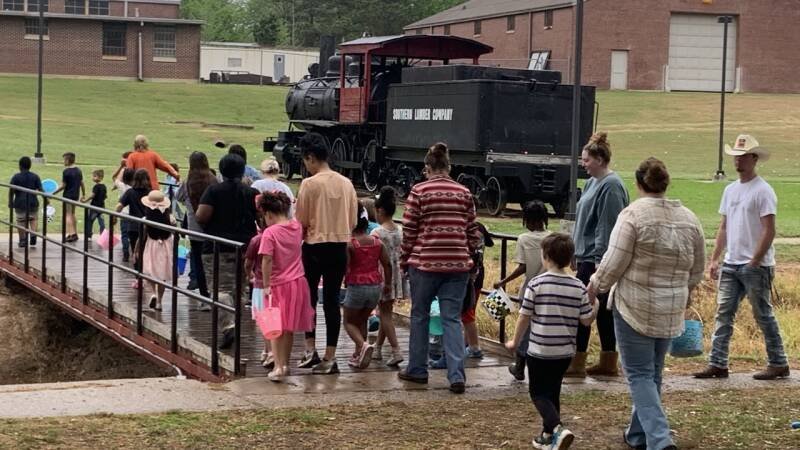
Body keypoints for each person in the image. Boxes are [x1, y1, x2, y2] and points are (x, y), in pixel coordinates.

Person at [588, 158, 704, 450]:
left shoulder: (632, 216)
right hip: (671, 309)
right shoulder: (689, 218)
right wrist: (681, 289)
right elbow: (697, 268)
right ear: (665, 184)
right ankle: (638, 434)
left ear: (639, 184)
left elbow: (613, 263)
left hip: (634, 307)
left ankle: (660, 439)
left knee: (639, 375)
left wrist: (594, 286)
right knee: (652, 373)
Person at [694, 135, 790, 381]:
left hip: (754, 265)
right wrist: (715, 258)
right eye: (736, 155)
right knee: (723, 312)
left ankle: (778, 362)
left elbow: (769, 229)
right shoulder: (730, 190)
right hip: (731, 262)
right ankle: (717, 363)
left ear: (754, 159)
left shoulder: (763, 191)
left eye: (743, 156)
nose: (738, 160)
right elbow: (724, 226)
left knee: (762, 313)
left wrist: (756, 261)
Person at [398, 142, 481, 394]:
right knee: (452, 319)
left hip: (425, 263)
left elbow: (409, 231)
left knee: (420, 315)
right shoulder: (464, 193)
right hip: (457, 265)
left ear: (427, 167)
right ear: (449, 166)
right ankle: (456, 375)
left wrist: (404, 260)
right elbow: (472, 232)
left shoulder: (419, 191)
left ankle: (417, 369)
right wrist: (470, 259)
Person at [505, 233, 598, 450]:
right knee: (553, 391)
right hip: (565, 352)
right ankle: (547, 436)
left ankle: (557, 427)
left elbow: (524, 316)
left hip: (539, 350)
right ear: (569, 258)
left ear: (545, 256)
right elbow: (586, 320)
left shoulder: (536, 284)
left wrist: (515, 341)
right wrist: (596, 305)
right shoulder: (577, 286)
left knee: (537, 393)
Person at [295, 133, 358, 374]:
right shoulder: (346, 183)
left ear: (310, 158)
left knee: (308, 299)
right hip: (339, 246)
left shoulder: (309, 184)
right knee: (332, 302)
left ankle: (311, 349)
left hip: (314, 246)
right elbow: (352, 219)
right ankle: (330, 356)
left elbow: (301, 220)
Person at [569, 132, 629, 378]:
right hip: (584, 254)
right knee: (602, 310)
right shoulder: (592, 183)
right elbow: (582, 219)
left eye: (587, 160)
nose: (583, 164)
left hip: (597, 258)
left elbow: (608, 226)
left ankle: (578, 360)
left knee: (585, 308)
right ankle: (607, 359)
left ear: (601, 159)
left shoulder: (611, 186)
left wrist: (600, 263)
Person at [196, 153, 259, 349]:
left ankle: (228, 324)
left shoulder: (213, 191)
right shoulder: (251, 192)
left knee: (219, 289)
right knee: (240, 289)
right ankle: (235, 323)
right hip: (244, 248)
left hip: (217, 247)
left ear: (222, 170)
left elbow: (202, 216)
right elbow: (260, 218)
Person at [258, 191, 315, 382]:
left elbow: (267, 260)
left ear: (268, 214)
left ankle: (277, 366)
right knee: (289, 327)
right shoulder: (297, 227)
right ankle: (286, 363)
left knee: (274, 328)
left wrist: (266, 285)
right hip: (298, 281)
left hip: (278, 284)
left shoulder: (270, 232)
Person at [494, 200, 551, 380]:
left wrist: (503, 281)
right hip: (549, 289)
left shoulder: (524, 239)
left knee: (525, 327)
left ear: (527, 220)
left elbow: (522, 268)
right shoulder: (553, 238)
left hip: (529, 290)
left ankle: (520, 366)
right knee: (543, 327)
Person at [343, 203, 392, 369]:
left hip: (356, 286)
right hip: (375, 287)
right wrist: (388, 284)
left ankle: (363, 345)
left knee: (349, 322)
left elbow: (346, 266)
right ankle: (359, 354)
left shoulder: (350, 244)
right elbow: (387, 264)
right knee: (362, 319)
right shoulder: (377, 243)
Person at [176, 151, 218, 303]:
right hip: (213, 228)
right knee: (213, 261)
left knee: (198, 262)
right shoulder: (214, 180)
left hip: (194, 229)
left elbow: (178, 197)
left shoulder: (187, 183)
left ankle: (204, 295)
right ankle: (215, 293)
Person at [371, 186, 405, 366]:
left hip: (382, 276)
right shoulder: (399, 230)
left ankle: (396, 349)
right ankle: (377, 347)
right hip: (396, 275)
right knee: (386, 312)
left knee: (384, 314)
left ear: (380, 210)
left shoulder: (376, 233)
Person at [137, 190, 176, 311]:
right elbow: (175, 230)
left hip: (151, 245)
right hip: (166, 246)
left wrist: (136, 249)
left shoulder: (146, 219)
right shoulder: (170, 218)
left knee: (148, 271)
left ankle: (153, 293)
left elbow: (142, 236)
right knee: (162, 274)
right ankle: (159, 302)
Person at [245, 215, 272, 369]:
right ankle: (268, 349)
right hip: (280, 282)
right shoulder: (283, 235)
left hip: (261, 284)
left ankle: (269, 351)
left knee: (264, 321)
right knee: (276, 320)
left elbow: (248, 262)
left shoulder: (257, 240)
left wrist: (249, 275)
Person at [116, 169, 152, 277]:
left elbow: (119, 206)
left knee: (136, 252)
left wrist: (115, 215)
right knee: (146, 251)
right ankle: (146, 274)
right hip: (148, 227)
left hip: (133, 227)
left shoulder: (130, 192)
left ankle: (138, 276)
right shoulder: (151, 193)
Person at [8, 156, 43, 248]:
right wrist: (46, 199)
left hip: (20, 202)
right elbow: (41, 189)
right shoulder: (35, 176)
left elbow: (11, 190)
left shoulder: (16, 177)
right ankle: (33, 235)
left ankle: (22, 240)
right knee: (33, 219)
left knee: (21, 220)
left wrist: (10, 201)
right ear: (30, 166)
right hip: (33, 202)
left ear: (20, 166)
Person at [52, 152, 84, 243]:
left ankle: (72, 234)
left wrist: (53, 193)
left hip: (68, 196)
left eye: (64, 160)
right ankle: (74, 233)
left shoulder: (66, 171)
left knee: (68, 214)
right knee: (73, 213)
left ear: (67, 160)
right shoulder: (78, 170)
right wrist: (83, 194)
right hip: (75, 195)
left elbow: (63, 186)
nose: (63, 162)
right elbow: (82, 183)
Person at [112, 161, 135, 261]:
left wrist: (121, 166)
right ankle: (135, 254)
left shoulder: (122, 186)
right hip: (134, 215)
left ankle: (126, 254)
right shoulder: (136, 188)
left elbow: (115, 178)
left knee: (124, 235)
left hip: (124, 214)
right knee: (134, 235)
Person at [82, 169, 107, 241]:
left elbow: (92, 196)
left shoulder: (96, 187)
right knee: (101, 222)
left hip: (94, 208)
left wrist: (85, 201)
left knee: (90, 221)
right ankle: (102, 236)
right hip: (101, 208)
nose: (93, 178)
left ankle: (89, 236)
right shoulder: (104, 186)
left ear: (100, 177)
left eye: (94, 176)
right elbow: (105, 196)